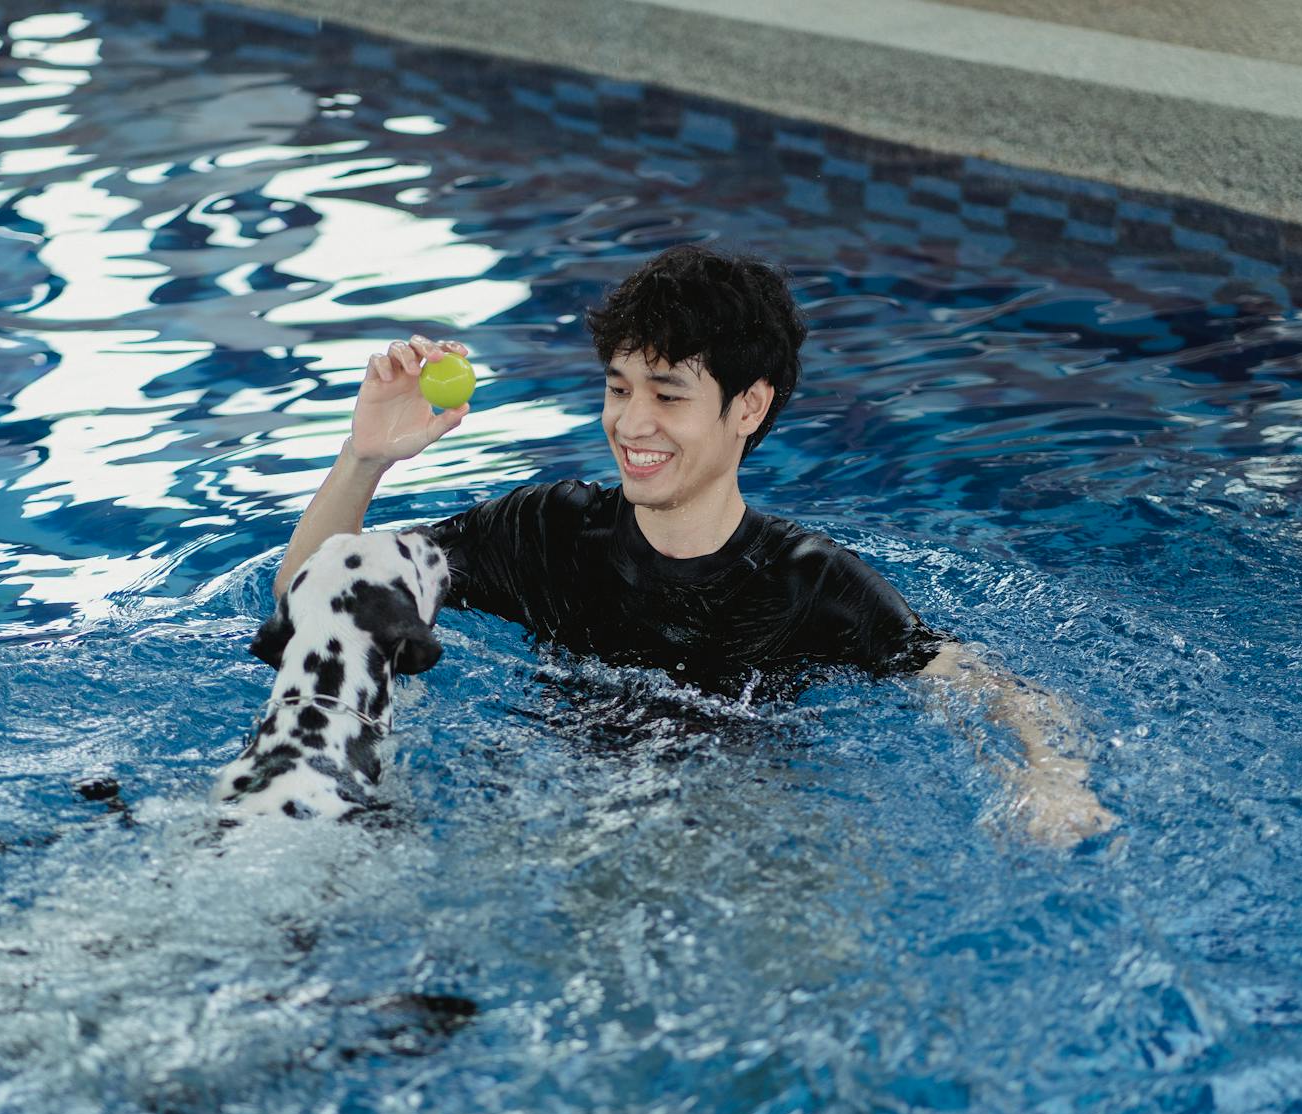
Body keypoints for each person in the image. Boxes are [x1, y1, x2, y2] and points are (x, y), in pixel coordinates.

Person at [268, 244, 1116, 846]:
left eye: (668, 395)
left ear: (748, 407)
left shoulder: (808, 584)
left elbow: (987, 687)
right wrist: (365, 458)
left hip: (728, 827)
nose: (632, 423)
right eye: (619, 387)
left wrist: (1052, 779)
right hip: (538, 809)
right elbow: (317, 599)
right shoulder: (548, 532)